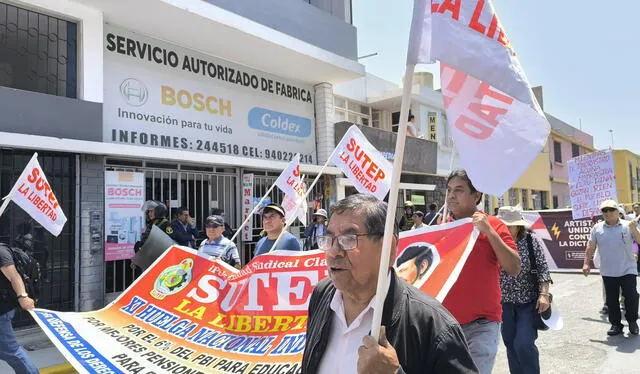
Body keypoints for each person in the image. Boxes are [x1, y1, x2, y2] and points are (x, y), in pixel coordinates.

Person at [301, 194, 478, 374]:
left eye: (348, 239)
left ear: (389, 248)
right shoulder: (322, 295)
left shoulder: (433, 326)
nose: (333, 251)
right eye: (328, 239)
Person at [441, 169, 520, 374]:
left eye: (459, 190)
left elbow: (514, 267)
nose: (451, 195)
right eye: (449, 190)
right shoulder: (442, 228)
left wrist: (489, 232)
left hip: (482, 325)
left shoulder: (494, 225)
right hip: (445, 325)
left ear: (476, 196)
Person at [498, 206, 552, 374]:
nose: (505, 230)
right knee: (510, 344)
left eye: (510, 226)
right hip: (503, 304)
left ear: (519, 226)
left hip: (527, 303)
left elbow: (543, 269)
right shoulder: (494, 242)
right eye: (502, 227)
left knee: (523, 344)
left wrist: (543, 294)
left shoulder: (530, 241)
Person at [583, 199, 640, 336]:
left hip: (628, 269)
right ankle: (616, 324)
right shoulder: (597, 228)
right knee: (611, 300)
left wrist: (634, 229)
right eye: (604, 210)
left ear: (617, 211)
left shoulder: (628, 225)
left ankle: (632, 321)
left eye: (611, 210)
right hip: (608, 270)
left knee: (631, 296)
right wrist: (586, 263)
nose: (608, 213)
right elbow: (591, 246)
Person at [0, 243, 38, 374]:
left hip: (1, 311)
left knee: (10, 351)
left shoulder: (1, 252)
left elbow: (14, 276)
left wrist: (23, 296)